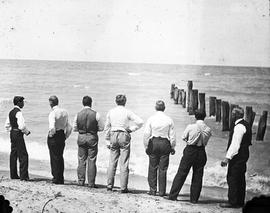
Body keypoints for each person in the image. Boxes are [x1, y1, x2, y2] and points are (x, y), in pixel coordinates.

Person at [168, 109, 212, 203]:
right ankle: (194, 199)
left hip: (190, 150)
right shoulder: (208, 129)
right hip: (201, 151)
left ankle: (173, 195)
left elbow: (183, 137)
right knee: (198, 175)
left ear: (195, 116)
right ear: (204, 117)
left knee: (182, 173)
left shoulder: (191, 126)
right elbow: (206, 141)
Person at [104, 94, 143, 193]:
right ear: (125, 102)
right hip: (123, 134)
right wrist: (131, 129)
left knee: (112, 161)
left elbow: (107, 127)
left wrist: (107, 140)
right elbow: (140, 122)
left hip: (113, 134)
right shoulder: (127, 112)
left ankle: (109, 185)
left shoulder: (111, 111)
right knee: (124, 162)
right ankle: (123, 187)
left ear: (116, 101)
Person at [220, 107, 252, 208]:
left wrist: (227, 158)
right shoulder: (246, 124)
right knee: (240, 178)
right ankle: (240, 201)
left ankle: (232, 202)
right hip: (244, 154)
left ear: (235, 115)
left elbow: (235, 144)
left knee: (232, 177)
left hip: (238, 155)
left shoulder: (238, 127)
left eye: (232, 114)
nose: (231, 115)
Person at [143, 100, 176, 197]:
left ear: (155, 108)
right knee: (163, 169)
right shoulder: (169, 119)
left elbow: (146, 134)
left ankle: (152, 190)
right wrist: (173, 147)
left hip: (154, 142)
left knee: (152, 167)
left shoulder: (151, 119)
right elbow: (172, 136)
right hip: (165, 143)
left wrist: (146, 146)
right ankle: (162, 192)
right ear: (164, 108)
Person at [73, 96, 104, 187]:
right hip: (92, 136)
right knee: (92, 160)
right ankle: (91, 183)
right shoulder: (96, 114)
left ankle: (81, 181)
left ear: (83, 103)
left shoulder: (78, 114)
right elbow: (102, 128)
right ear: (91, 103)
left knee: (81, 159)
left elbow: (74, 128)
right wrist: (94, 129)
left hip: (81, 136)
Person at [4, 96, 31, 181]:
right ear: (19, 103)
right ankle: (24, 176)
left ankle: (13, 175)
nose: (23, 104)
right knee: (23, 155)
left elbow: (7, 125)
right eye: (22, 102)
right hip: (18, 134)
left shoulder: (11, 112)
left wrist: (12, 131)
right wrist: (27, 132)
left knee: (14, 154)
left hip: (12, 133)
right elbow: (22, 126)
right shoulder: (19, 113)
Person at [47, 95, 72, 184]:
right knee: (60, 156)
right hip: (62, 134)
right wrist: (66, 136)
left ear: (50, 103)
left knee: (54, 156)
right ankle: (60, 177)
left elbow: (52, 127)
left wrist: (51, 135)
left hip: (55, 135)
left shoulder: (52, 113)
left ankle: (56, 178)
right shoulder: (64, 112)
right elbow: (69, 127)